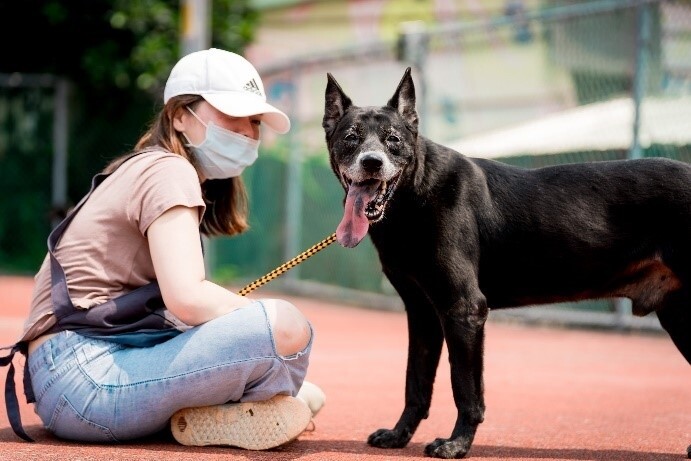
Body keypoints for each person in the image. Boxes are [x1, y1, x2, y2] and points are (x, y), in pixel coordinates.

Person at [1, 48, 324, 450]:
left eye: (255, 120)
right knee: (286, 326)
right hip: (86, 377)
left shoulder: (152, 167)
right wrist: (265, 324)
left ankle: (214, 414)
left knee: (294, 370)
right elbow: (187, 299)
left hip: (81, 376)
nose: (247, 131)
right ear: (178, 116)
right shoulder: (169, 170)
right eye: (231, 114)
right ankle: (244, 401)